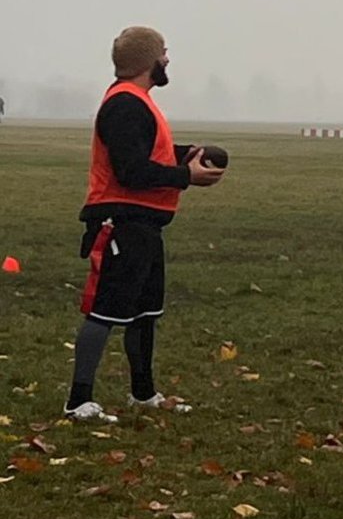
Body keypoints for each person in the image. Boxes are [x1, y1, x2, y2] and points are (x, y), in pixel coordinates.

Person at [64, 27, 224, 422]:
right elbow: (131, 170)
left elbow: (150, 151)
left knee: (144, 313)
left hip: (145, 225)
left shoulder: (139, 103)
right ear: (148, 61)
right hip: (121, 224)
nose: (167, 60)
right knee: (104, 312)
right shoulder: (125, 105)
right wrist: (186, 177)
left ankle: (143, 393)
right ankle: (78, 400)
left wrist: (189, 154)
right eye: (163, 54)